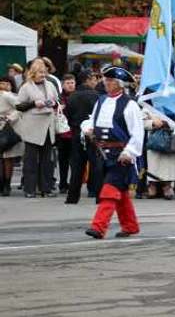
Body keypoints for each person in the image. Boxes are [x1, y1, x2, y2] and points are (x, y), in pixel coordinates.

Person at [83, 66, 144, 239]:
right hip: (102, 153)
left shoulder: (130, 105)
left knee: (109, 191)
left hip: (121, 155)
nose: (107, 83)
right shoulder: (101, 100)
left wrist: (129, 152)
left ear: (120, 84)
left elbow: (138, 132)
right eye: (106, 80)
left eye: (111, 81)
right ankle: (130, 226)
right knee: (120, 192)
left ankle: (98, 227)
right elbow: (91, 120)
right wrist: (87, 128)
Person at [14, 61, 60, 198]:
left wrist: (54, 103)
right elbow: (18, 106)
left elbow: (57, 101)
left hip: (48, 127)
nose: (43, 75)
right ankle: (30, 189)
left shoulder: (50, 85)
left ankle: (46, 188)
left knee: (47, 161)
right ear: (33, 73)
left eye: (44, 72)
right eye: (40, 72)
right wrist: (34, 103)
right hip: (32, 127)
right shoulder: (26, 87)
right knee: (30, 160)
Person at [64, 70, 101, 204]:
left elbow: (66, 115)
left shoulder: (72, 97)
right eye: (94, 79)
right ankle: (98, 194)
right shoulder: (97, 96)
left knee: (77, 166)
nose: (96, 82)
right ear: (88, 79)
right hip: (93, 134)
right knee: (96, 165)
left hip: (76, 132)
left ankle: (72, 197)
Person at [142, 110, 175, 200]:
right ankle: (152, 186)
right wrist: (153, 122)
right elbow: (141, 121)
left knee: (169, 164)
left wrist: (167, 123)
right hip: (154, 139)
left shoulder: (173, 106)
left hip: (170, 137)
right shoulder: (148, 106)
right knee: (153, 164)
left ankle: (167, 187)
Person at [0, 76, 23, 195]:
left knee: (7, 158)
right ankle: (2, 184)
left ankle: (7, 185)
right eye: (2, 83)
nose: (3, 86)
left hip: (8, 128)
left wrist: (10, 117)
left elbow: (20, 108)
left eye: (6, 84)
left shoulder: (8, 95)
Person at [56, 74, 76, 194]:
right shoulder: (59, 98)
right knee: (63, 161)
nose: (70, 85)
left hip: (74, 132)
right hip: (63, 134)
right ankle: (63, 183)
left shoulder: (77, 96)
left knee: (75, 161)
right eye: (68, 83)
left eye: (72, 83)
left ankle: (73, 183)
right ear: (63, 85)